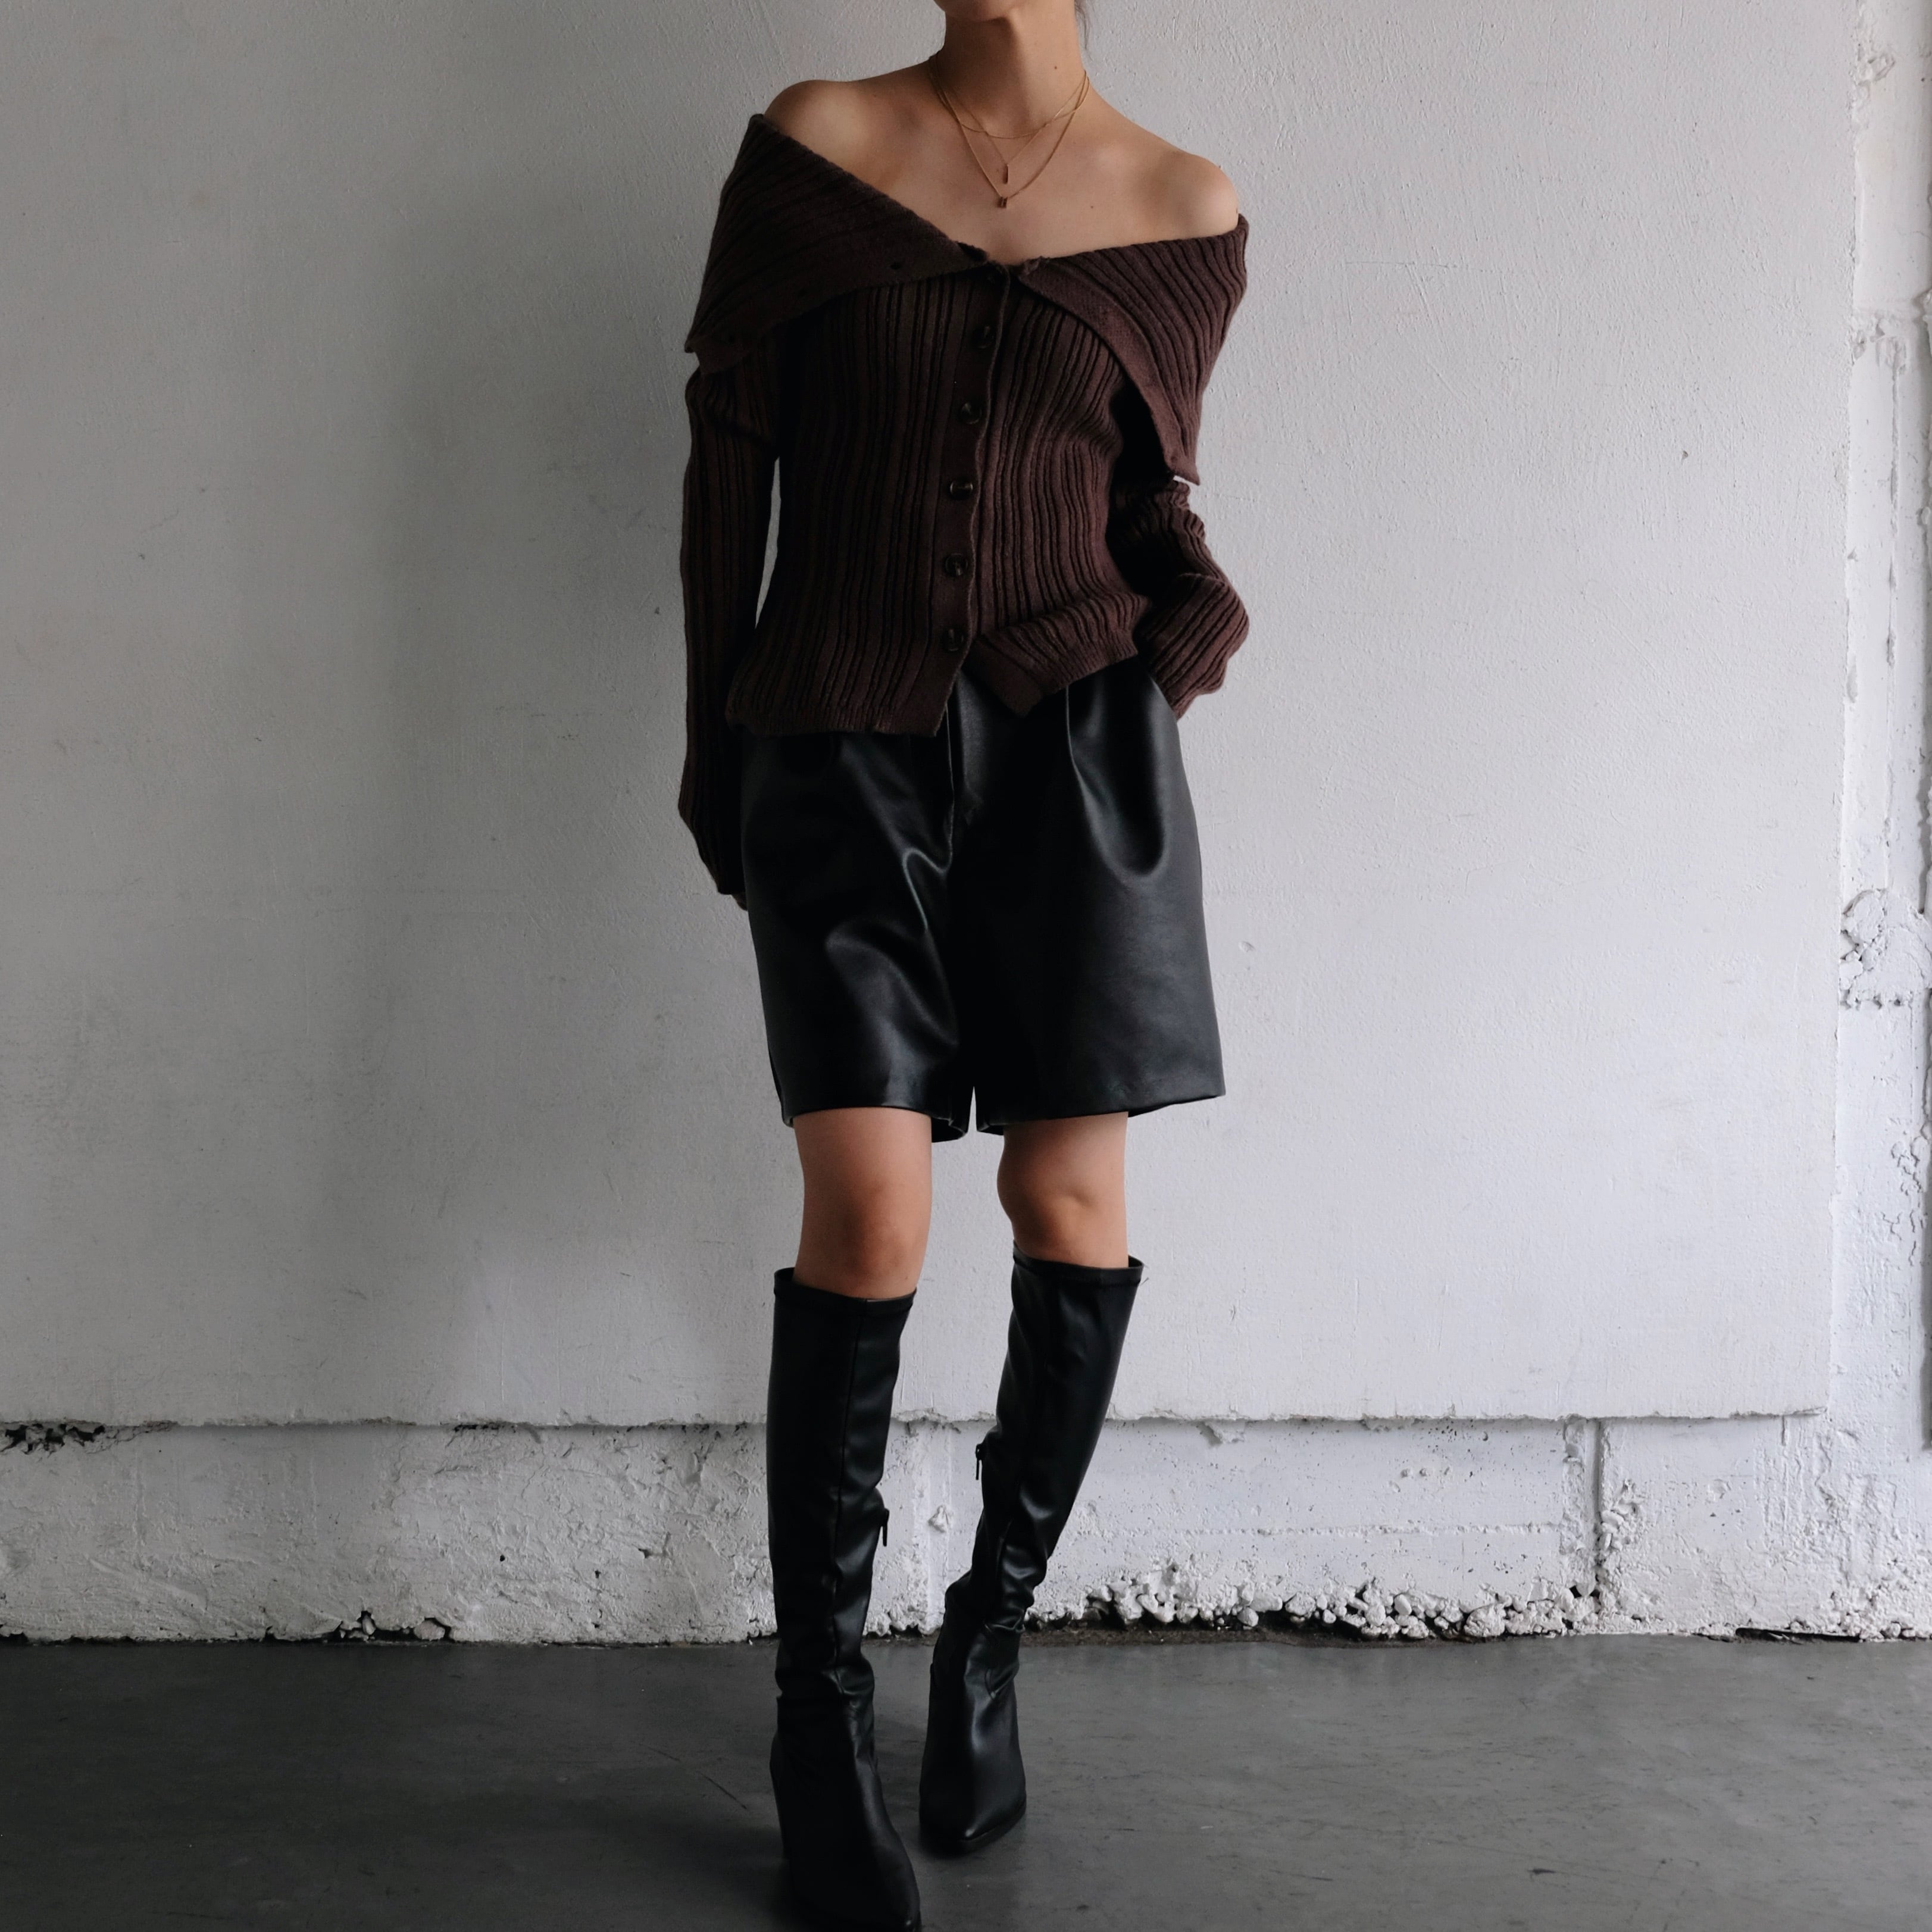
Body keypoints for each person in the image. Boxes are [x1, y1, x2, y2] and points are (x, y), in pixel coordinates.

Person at [676, 4, 1249, 1924]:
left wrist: (1182, 642)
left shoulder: (1185, 203)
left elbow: (1153, 499)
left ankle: (988, 1638)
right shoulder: (816, 143)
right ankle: (818, 1722)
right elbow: (729, 471)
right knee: (870, 1212)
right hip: (833, 742)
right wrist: (718, 755)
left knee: (1069, 1199)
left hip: (1079, 767)